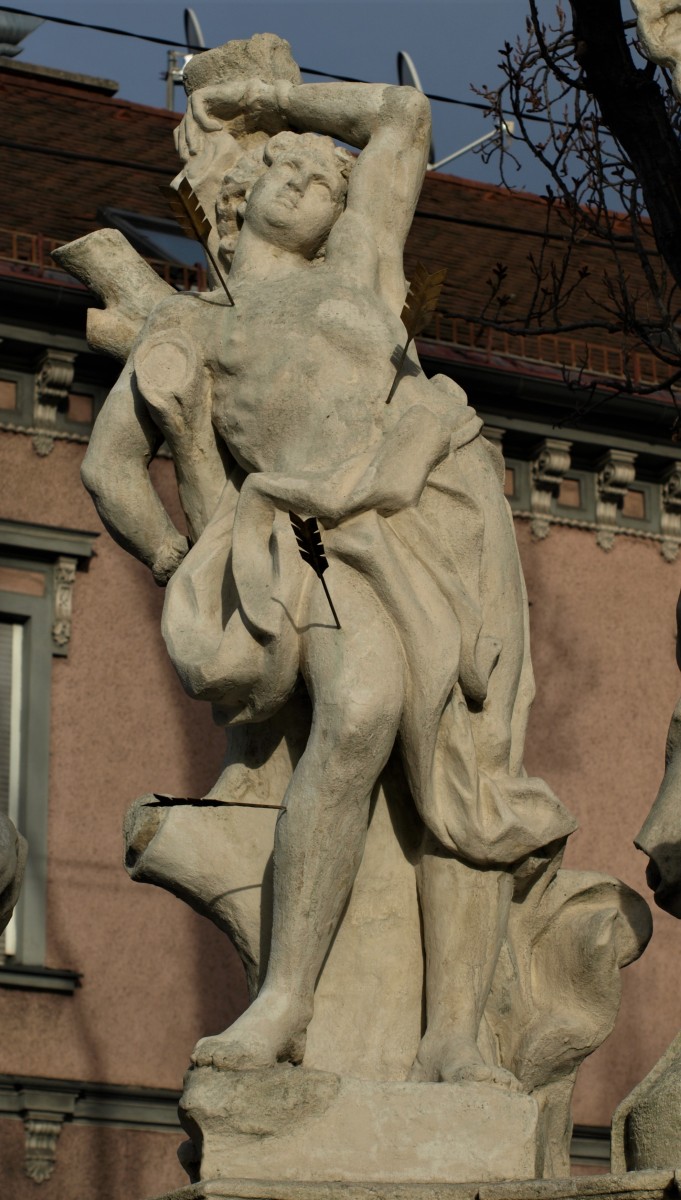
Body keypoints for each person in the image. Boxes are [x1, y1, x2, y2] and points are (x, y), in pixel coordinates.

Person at [82, 72, 576, 1087]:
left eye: (324, 174)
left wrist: (276, 95)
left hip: (437, 507)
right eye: (289, 169)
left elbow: (402, 117)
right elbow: (106, 468)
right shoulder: (194, 328)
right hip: (310, 531)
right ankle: (287, 1001)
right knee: (360, 712)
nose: (312, 178)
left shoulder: (360, 266)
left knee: (460, 761)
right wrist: (187, 565)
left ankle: (450, 1035)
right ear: (237, 193)